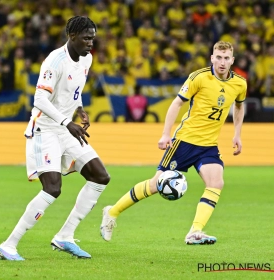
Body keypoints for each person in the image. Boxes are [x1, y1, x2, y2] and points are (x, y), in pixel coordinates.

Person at [100, 41, 246, 245]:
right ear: (212, 58)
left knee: (216, 183)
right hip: (185, 141)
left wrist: (237, 134)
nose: (222, 62)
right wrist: (165, 134)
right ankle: (112, 212)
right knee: (154, 185)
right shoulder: (199, 77)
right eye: (218, 57)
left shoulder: (240, 83)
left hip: (209, 145)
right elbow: (177, 103)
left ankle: (195, 231)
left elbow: (239, 107)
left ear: (232, 60)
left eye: (226, 58)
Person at [0, 16, 110, 261]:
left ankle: (65, 236)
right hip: (45, 129)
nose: (91, 42)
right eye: (86, 38)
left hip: (66, 128)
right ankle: (9, 245)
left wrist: (79, 109)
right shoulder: (54, 61)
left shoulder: (87, 59)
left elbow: (74, 91)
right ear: (72, 36)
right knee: (52, 188)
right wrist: (66, 122)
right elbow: (39, 100)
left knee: (100, 176)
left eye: (93, 37)